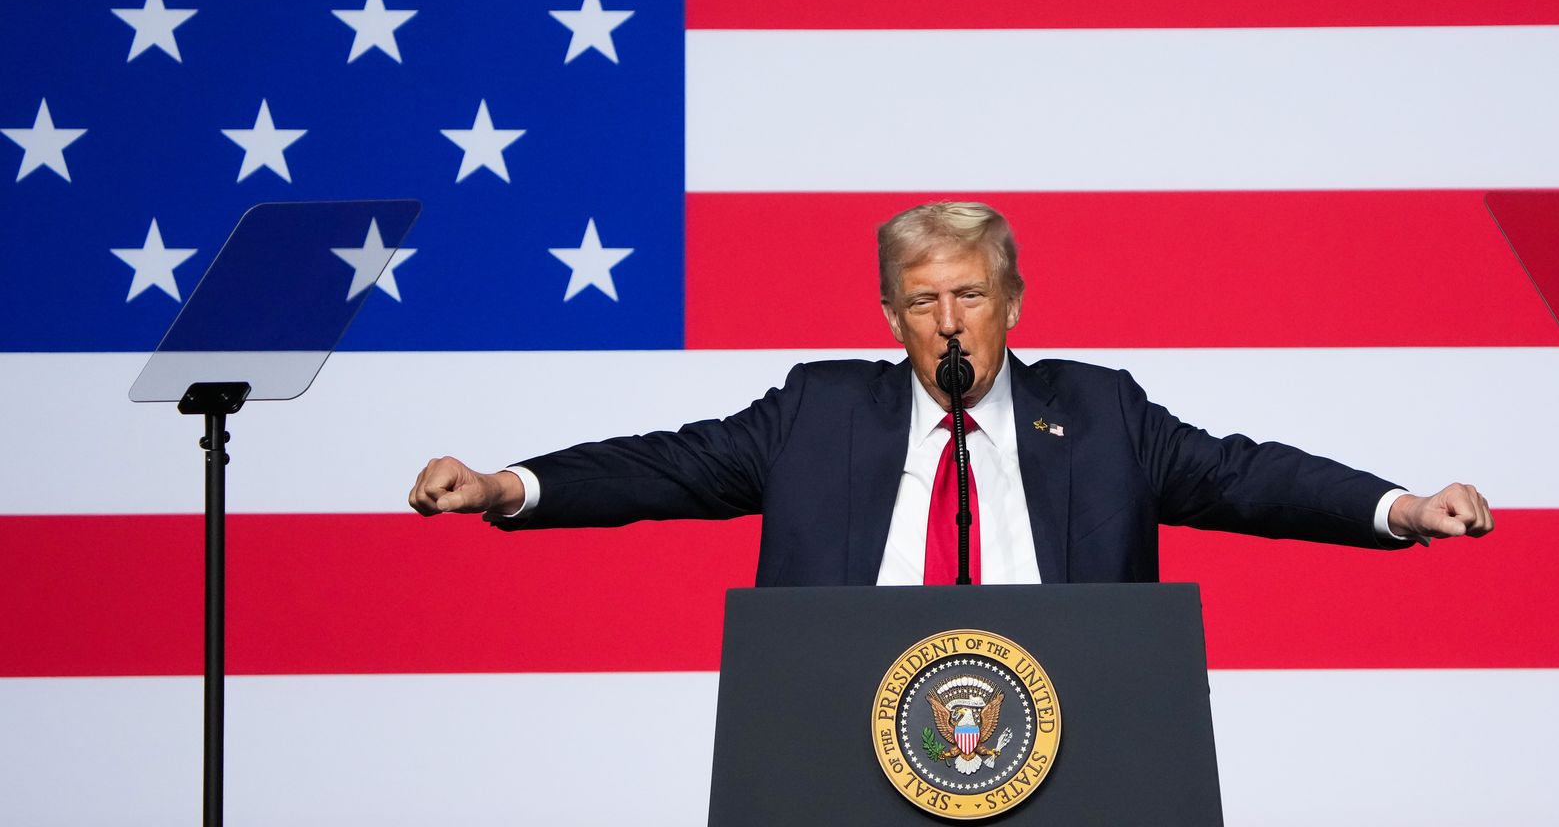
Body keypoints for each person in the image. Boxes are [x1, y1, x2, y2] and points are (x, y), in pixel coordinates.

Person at [408, 201, 1492, 584]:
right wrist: (510, 486)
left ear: (1013, 302)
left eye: (969, 295)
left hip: (1072, 729)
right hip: (842, 731)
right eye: (920, 302)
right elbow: (666, 463)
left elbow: (1246, 477)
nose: (947, 323)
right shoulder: (818, 410)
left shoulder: (1102, 410)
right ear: (889, 318)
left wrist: (1400, 507)